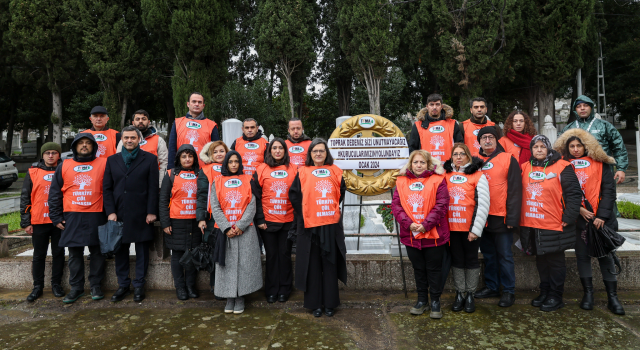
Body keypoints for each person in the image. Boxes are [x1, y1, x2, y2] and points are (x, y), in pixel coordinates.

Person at [554, 129, 625, 315]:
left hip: (601, 220)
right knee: (582, 257)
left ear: (586, 146)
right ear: (567, 148)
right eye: (572, 146)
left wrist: (601, 216)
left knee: (605, 257)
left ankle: (613, 297)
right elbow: (559, 192)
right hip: (578, 220)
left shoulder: (600, 164)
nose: (576, 149)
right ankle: (588, 294)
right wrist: (578, 209)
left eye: (579, 145)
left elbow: (609, 191)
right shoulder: (563, 164)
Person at [520, 135, 581, 312]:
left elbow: (574, 194)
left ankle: (556, 295)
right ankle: (545, 291)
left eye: (542, 147)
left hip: (555, 224)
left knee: (555, 261)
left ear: (548, 148)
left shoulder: (563, 166)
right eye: (535, 147)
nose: (539, 150)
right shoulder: (525, 167)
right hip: (533, 224)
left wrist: (569, 217)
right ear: (531, 150)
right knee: (541, 260)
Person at [289, 139, 347, 318]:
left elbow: (341, 192)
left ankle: (330, 303)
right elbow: (294, 195)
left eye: (321, 151)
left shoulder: (336, 171)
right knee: (312, 265)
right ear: (310, 154)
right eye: (315, 151)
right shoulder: (302, 172)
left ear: (326, 153)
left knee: (330, 264)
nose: (318, 154)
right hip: (309, 227)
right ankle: (315, 304)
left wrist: (326, 208)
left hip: (329, 225)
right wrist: (305, 212)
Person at [48, 133, 108, 304]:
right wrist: (56, 216)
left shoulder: (103, 163)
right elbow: (54, 193)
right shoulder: (64, 165)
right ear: (74, 146)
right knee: (74, 253)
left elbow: (110, 189)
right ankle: (76, 287)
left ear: (93, 146)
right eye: (80, 143)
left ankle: (96, 285)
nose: (84, 146)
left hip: (97, 214)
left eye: (88, 143)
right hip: (72, 215)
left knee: (97, 252)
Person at [391, 150, 450, 319]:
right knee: (418, 269)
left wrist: (425, 225)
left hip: (433, 235)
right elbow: (396, 206)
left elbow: (442, 205)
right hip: (411, 235)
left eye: (422, 163)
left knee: (433, 269)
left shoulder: (439, 180)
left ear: (429, 164)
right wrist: (409, 224)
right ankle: (422, 299)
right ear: (410, 164)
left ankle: (435, 301)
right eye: (416, 162)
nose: (419, 165)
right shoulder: (401, 181)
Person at [103, 126, 159, 303]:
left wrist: (151, 211)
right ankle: (123, 285)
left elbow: (153, 188)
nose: (129, 140)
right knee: (121, 251)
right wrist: (110, 212)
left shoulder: (150, 159)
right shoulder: (112, 160)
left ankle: (139, 285)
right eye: (126, 138)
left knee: (142, 251)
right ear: (121, 140)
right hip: (119, 213)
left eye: (132, 138)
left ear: (139, 140)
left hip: (141, 213)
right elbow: (107, 189)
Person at [474, 126, 521, 307]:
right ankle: (492, 286)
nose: (487, 140)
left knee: (505, 255)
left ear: (497, 140)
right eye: (484, 138)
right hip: (481, 217)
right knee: (489, 255)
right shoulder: (474, 161)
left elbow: (516, 191)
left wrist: (512, 218)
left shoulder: (508, 159)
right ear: (479, 141)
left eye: (491, 137)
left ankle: (509, 291)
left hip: (501, 216)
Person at [210, 151, 263, 314]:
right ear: (225, 163)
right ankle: (229, 297)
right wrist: (226, 227)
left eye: (236, 162)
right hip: (225, 232)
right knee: (227, 265)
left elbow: (252, 205)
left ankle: (241, 297)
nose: (233, 164)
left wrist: (240, 225)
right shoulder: (217, 182)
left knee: (245, 264)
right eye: (230, 161)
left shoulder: (248, 180)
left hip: (246, 230)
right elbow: (215, 206)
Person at [443, 143, 490, 313]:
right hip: (451, 228)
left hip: (469, 228)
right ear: (451, 157)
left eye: (462, 154)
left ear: (468, 156)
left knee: (470, 259)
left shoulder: (478, 175)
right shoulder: (445, 175)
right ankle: (460, 293)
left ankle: (470, 293)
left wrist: (475, 229)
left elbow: (483, 204)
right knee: (457, 260)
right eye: (455, 154)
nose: (458, 157)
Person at [251, 138, 297, 303]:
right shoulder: (261, 169)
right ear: (269, 151)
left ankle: (284, 289)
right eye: (274, 148)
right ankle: (271, 290)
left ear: (285, 151)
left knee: (284, 255)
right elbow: (255, 196)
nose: (277, 151)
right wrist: (260, 218)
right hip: (267, 222)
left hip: (288, 220)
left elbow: (298, 195)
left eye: (280, 148)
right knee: (271, 256)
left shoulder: (294, 169)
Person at [20, 142, 65, 301]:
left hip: (59, 221)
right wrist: (26, 222)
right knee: (39, 255)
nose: (51, 155)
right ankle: (37, 286)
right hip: (38, 220)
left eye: (54, 152)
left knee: (59, 253)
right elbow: (25, 197)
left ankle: (56, 284)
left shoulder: (65, 169)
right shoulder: (33, 171)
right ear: (43, 155)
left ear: (59, 155)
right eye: (48, 153)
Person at [159, 144, 202, 300]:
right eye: (184, 156)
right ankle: (180, 287)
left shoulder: (200, 174)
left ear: (194, 158)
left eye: (190, 156)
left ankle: (191, 286)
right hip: (176, 222)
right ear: (178, 159)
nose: (187, 159)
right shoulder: (170, 174)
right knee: (177, 256)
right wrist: (165, 223)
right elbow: (163, 200)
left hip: (195, 222)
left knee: (193, 255)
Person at [560, 95, 628, 185]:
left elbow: (618, 147)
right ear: (575, 109)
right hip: (576, 171)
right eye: (579, 106)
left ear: (591, 107)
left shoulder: (604, 126)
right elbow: (560, 151)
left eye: (585, 105)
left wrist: (621, 169)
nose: (582, 108)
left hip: (602, 170)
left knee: (605, 196)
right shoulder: (568, 128)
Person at [196, 140, 228, 297]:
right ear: (210, 155)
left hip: (230, 216)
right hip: (210, 217)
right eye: (215, 152)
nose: (219, 154)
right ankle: (215, 285)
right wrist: (201, 218)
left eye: (222, 151)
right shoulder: (205, 170)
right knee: (214, 251)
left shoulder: (232, 167)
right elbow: (201, 194)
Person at [167, 92, 220, 169]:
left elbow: (216, 151)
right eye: (194, 101)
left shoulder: (211, 125)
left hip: (204, 170)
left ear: (203, 106)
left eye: (199, 102)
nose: (197, 104)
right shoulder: (177, 122)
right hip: (181, 169)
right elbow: (172, 149)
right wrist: (171, 169)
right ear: (188, 104)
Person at [117, 109, 168, 187]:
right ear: (133, 123)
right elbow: (119, 161)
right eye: (137, 119)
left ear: (149, 122)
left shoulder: (159, 140)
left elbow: (164, 163)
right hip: (129, 183)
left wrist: (160, 185)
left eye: (143, 119)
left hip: (151, 182)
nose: (140, 121)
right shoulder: (125, 140)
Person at [408, 93, 463, 160]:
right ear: (427, 106)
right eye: (431, 104)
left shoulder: (452, 124)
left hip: (449, 166)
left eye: (437, 104)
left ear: (441, 106)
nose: (434, 107)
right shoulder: (418, 125)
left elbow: (460, 146)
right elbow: (413, 149)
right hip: (426, 167)